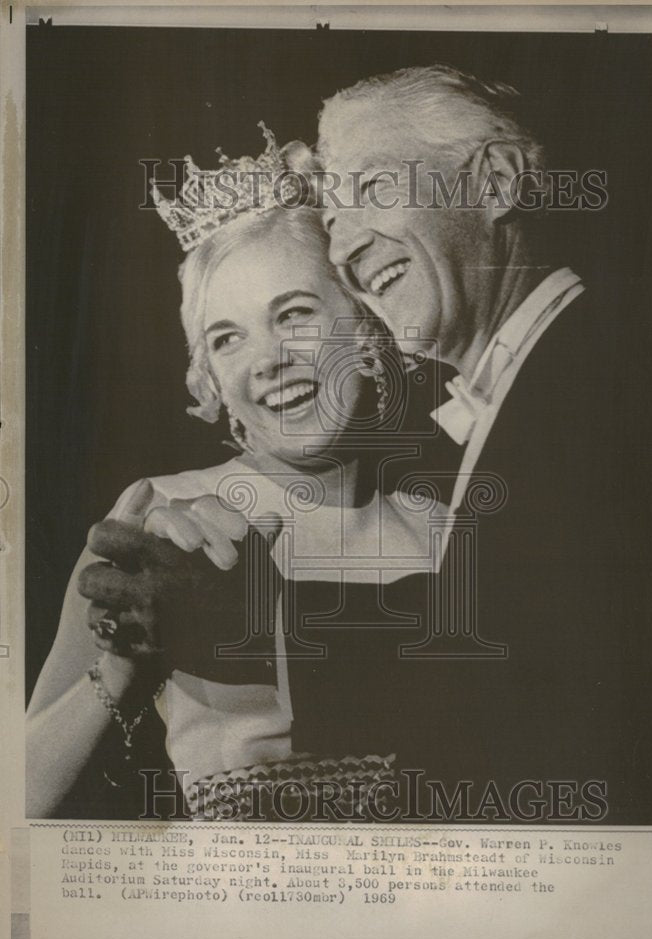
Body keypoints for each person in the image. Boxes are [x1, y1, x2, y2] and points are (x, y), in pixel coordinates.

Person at [26, 128, 451, 821]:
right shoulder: (164, 515)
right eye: (227, 338)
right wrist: (128, 662)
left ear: (366, 327)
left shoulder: (445, 527)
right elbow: (22, 794)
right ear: (212, 377)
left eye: (294, 315)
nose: (266, 361)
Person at [283, 64, 652, 824]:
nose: (343, 248)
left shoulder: (617, 384)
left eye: (372, 189)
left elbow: (538, 683)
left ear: (496, 182)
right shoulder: (543, 387)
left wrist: (236, 621)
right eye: (330, 220)